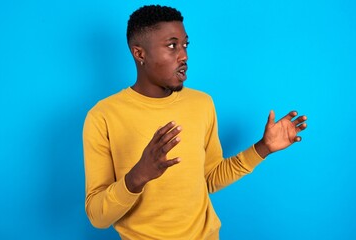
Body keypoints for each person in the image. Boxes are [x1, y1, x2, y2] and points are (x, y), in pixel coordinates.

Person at [83, 5, 307, 240]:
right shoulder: (103, 116)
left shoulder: (202, 104)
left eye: (185, 45)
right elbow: (98, 217)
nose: (184, 55)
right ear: (140, 54)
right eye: (172, 46)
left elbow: (209, 178)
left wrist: (264, 148)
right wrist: (138, 175)